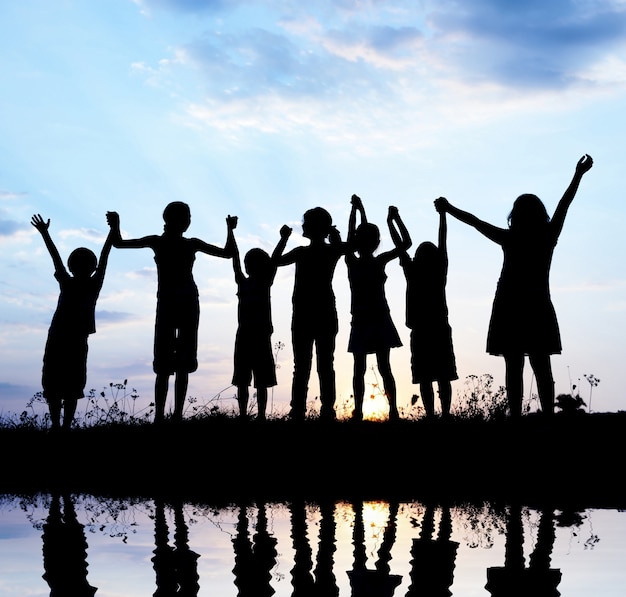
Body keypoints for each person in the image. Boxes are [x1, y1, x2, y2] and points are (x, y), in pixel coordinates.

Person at [436, 154, 593, 417]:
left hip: (510, 305)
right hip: (536, 304)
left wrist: (449, 208)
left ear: (516, 216)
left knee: (514, 365)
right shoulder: (547, 237)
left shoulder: (510, 238)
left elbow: (476, 222)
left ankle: (517, 418)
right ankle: (547, 417)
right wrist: (578, 174)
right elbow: (564, 204)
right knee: (541, 365)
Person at [106, 203, 232, 423]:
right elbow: (119, 243)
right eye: (187, 216)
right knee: (167, 362)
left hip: (180, 302)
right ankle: (164, 416)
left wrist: (230, 230)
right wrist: (115, 225)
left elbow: (227, 253)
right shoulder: (169, 242)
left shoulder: (173, 242)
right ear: (177, 219)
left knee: (176, 361)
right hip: (174, 302)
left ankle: (170, 416)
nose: (189, 220)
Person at [31, 213, 113, 431]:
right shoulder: (89, 283)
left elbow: (56, 257)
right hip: (67, 338)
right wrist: (112, 232)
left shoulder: (72, 282)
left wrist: (45, 233)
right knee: (67, 383)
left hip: (64, 337)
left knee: (61, 382)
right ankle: (62, 425)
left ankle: (59, 425)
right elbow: (104, 256)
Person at [277, 206, 346, 421]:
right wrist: (336, 238)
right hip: (321, 311)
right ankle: (325, 410)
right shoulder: (329, 251)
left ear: (314, 227)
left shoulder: (301, 252)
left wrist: (283, 239)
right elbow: (344, 246)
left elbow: (274, 261)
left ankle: (299, 410)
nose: (303, 225)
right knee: (325, 364)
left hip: (305, 313)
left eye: (306, 222)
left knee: (303, 365)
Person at [389, 204, 458, 418]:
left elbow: (400, 245)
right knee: (442, 375)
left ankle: (431, 415)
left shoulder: (413, 271)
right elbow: (442, 239)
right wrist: (443, 215)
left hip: (421, 330)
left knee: (425, 376)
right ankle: (444, 414)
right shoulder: (438, 270)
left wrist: (393, 220)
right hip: (437, 327)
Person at [345, 195, 408, 421]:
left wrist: (357, 211)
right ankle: (390, 411)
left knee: (361, 369)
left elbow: (352, 233)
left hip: (367, 319)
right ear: (376, 242)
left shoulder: (352, 261)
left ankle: (364, 412)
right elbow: (405, 244)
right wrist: (393, 220)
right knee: (383, 367)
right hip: (375, 318)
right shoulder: (376, 261)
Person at [226, 215, 292, 420]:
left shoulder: (259, 282)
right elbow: (236, 257)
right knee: (247, 380)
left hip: (255, 335)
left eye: (250, 262)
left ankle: (255, 415)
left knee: (253, 380)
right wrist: (231, 231)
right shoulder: (250, 283)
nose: (247, 265)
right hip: (249, 335)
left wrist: (283, 239)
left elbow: (269, 259)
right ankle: (250, 414)